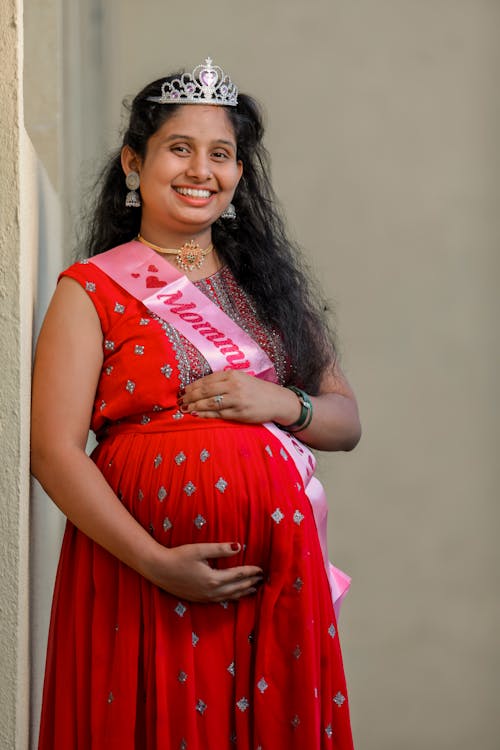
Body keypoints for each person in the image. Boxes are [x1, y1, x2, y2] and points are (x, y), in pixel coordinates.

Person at [31, 57, 361, 750]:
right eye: (179, 148)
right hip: (137, 577)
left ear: (240, 175)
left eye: (222, 155)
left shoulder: (270, 292)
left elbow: (343, 422)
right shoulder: (89, 289)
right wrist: (156, 560)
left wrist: (278, 400)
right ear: (134, 162)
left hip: (274, 581)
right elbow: (53, 452)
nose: (200, 170)